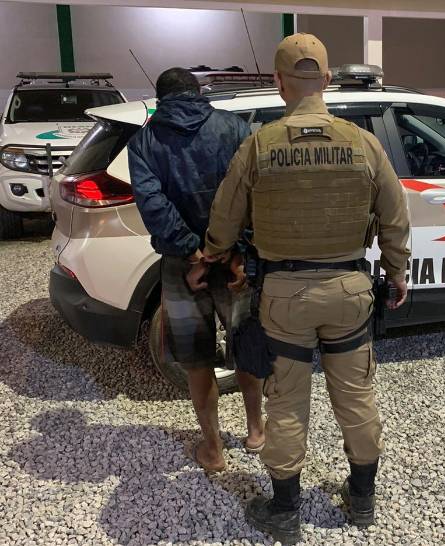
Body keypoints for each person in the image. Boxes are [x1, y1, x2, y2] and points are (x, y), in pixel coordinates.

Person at [192, 34, 410, 544]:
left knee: (287, 401)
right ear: (327, 80)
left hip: (284, 294)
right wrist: (397, 273)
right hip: (350, 290)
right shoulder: (363, 143)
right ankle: (362, 501)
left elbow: (224, 217)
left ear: (278, 81)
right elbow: (395, 216)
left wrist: (211, 255)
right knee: (356, 395)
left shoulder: (260, 145)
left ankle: (285, 510)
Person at [127, 67, 265, 473]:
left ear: (160, 99)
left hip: (182, 267)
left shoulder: (143, 143)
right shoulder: (234, 127)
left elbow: (153, 206)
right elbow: (253, 194)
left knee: (196, 360)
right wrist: (236, 250)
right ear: (198, 92)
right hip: (235, 259)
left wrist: (193, 254)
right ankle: (257, 432)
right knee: (247, 345)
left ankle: (213, 450)